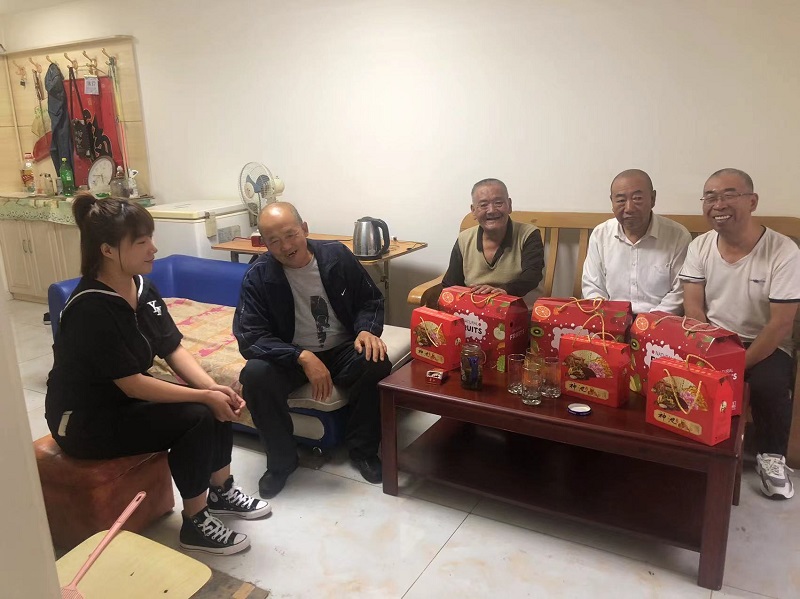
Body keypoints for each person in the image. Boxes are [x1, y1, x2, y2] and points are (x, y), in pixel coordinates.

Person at [45, 193, 270, 556]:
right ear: (107, 250)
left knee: (216, 399)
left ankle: (221, 489)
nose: (154, 248)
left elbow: (172, 348)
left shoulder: (142, 287)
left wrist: (213, 387)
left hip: (121, 403)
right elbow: (133, 384)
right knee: (197, 414)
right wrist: (203, 396)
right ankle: (195, 522)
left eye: (150, 238)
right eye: (141, 242)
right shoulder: (91, 308)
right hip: (83, 421)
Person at [234, 202, 391, 498]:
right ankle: (281, 462)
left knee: (375, 361)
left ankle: (363, 452)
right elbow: (250, 335)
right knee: (254, 375)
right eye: (274, 241)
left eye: (290, 234)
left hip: (342, 347)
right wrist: (300, 356)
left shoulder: (336, 256)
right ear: (264, 243)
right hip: (291, 356)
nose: (285, 246)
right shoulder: (258, 275)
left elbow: (369, 299)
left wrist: (366, 330)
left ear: (304, 229)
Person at [680, 168, 800, 499]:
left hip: (767, 344)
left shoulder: (783, 251)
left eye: (729, 195)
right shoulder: (700, 246)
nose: (718, 204)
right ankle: (689, 447)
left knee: (768, 384)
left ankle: (772, 456)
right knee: (675, 370)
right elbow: (693, 308)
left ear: (752, 201)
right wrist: (711, 350)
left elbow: (781, 324)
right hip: (715, 338)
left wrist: (737, 365)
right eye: (710, 197)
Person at [582, 169, 691, 314]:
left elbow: (679, 292)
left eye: (637, 198)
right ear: (612, 202)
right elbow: (593, 286)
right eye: (621, 200)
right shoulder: (600, 234)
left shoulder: (678, 236)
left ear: (652, 199)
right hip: (611, 319)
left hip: (659, 320)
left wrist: (648, 322)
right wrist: (608, 318)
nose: (629, 208)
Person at [441, 178, 544, 299]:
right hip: (474, 306)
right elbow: (451, 283)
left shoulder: (528, 234)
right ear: (473, 211)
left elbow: (532, 276)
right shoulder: (464, 239)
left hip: (518, 305)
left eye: (498, 203)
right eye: (483, 205)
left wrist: (502, 291)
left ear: (509, 205)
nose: (491, 210)